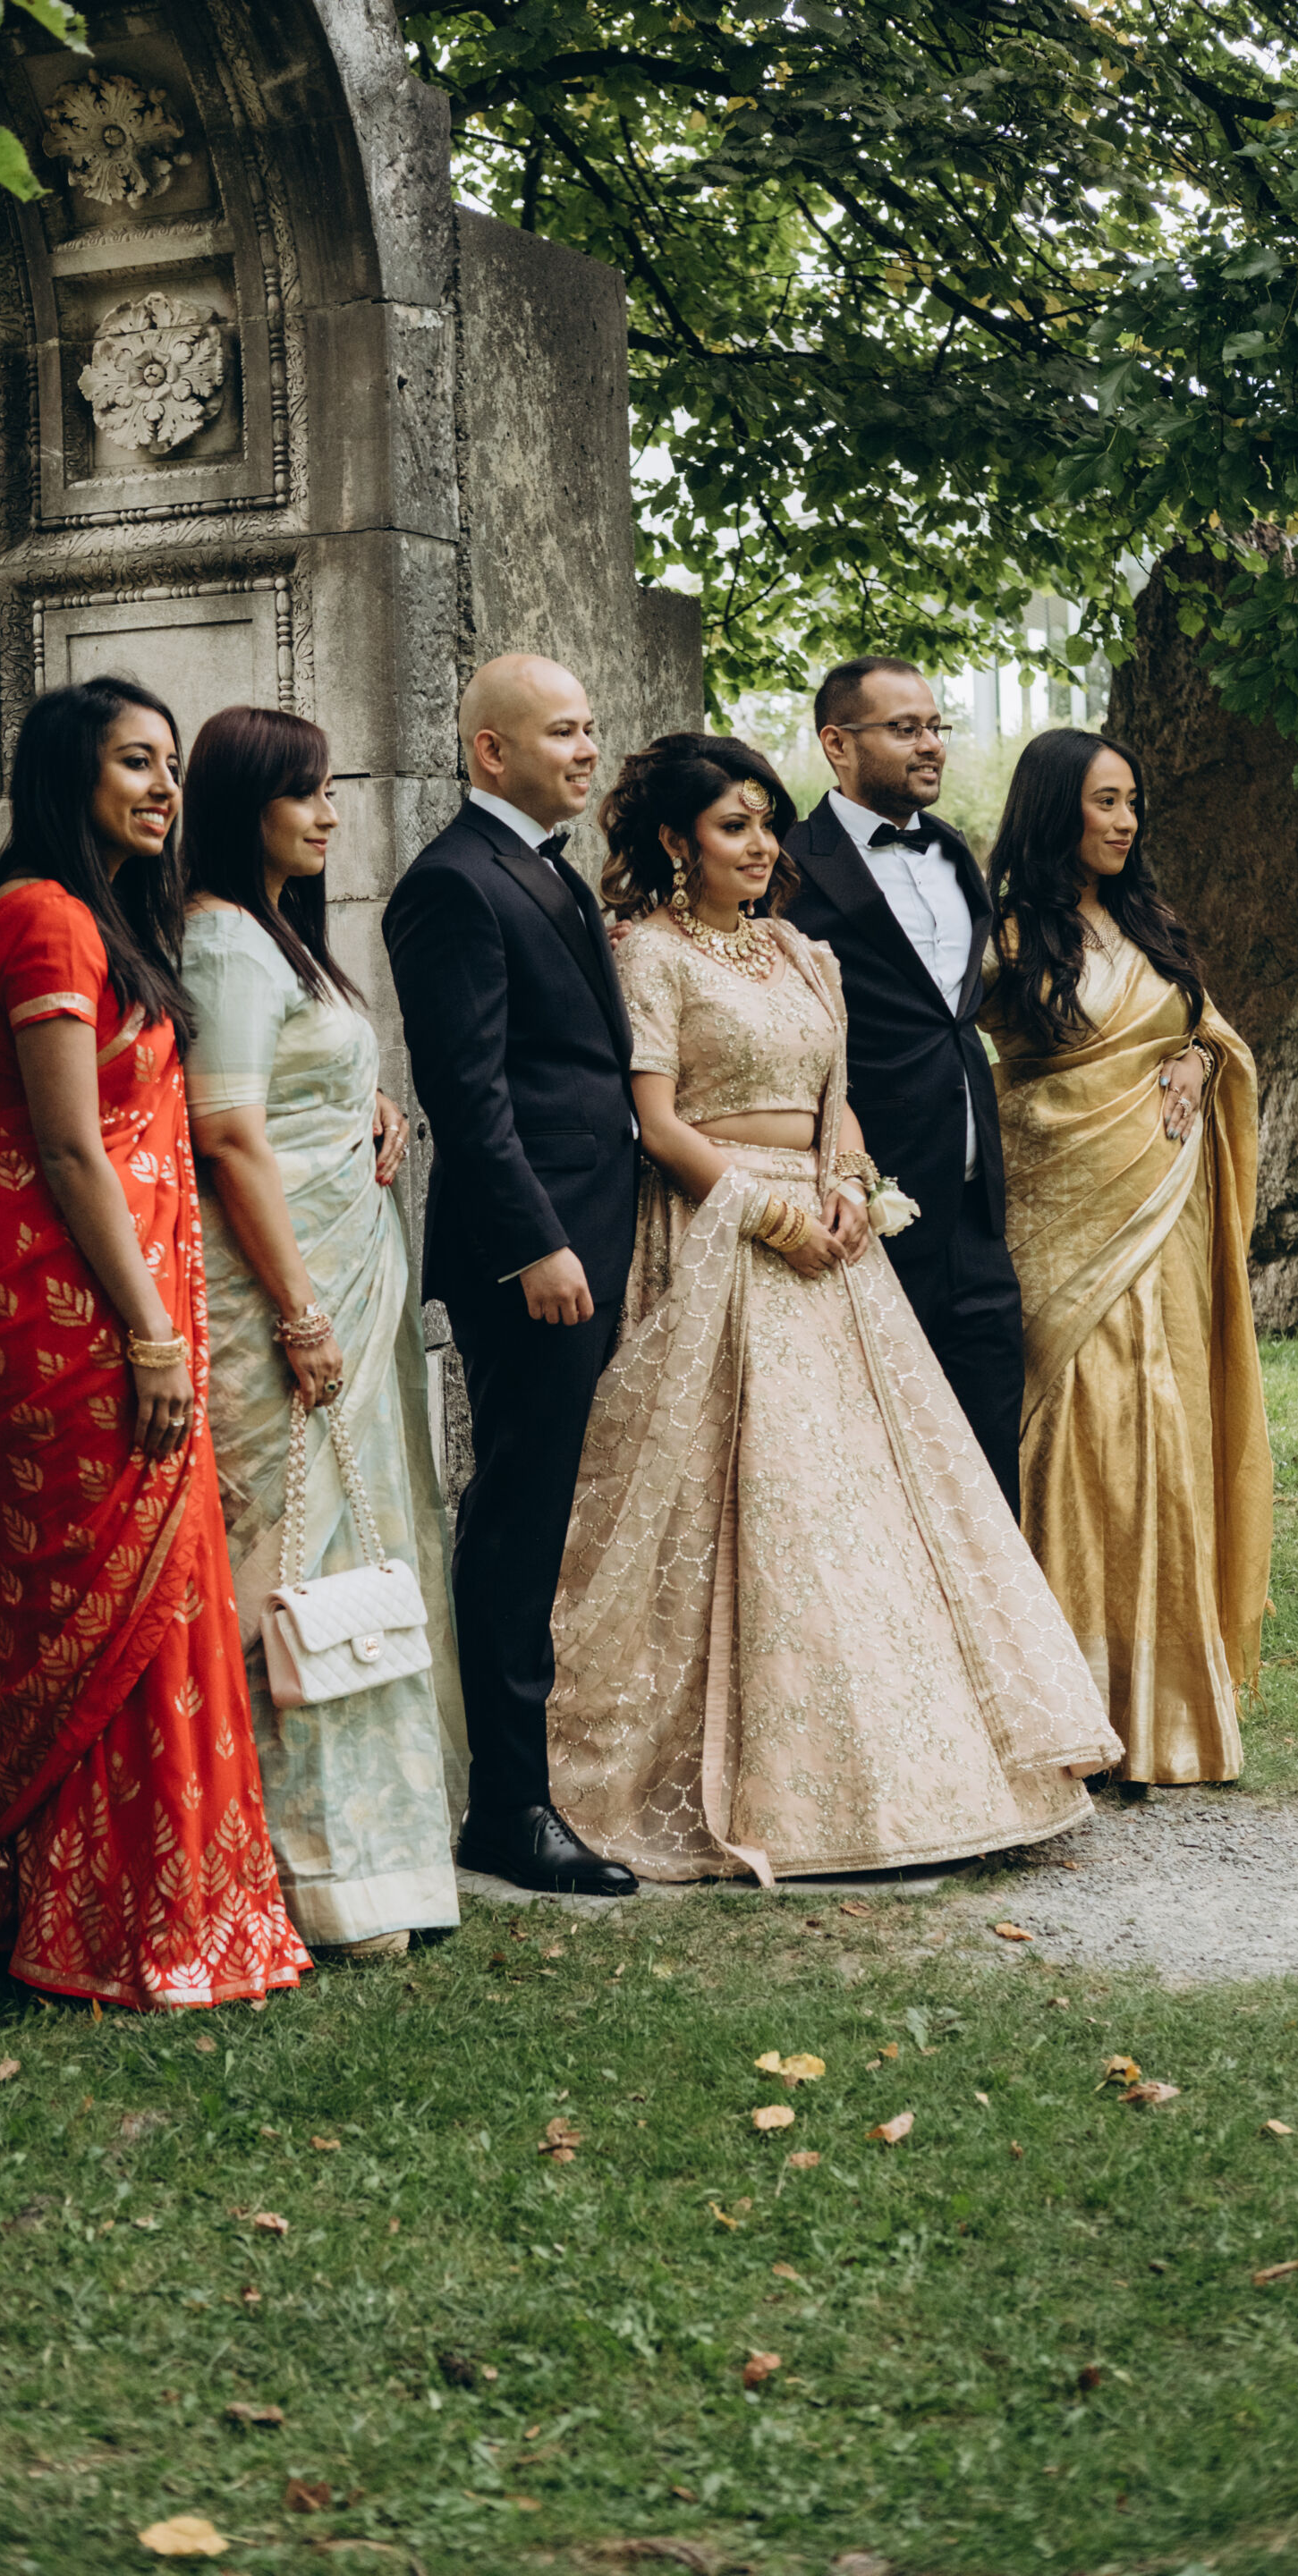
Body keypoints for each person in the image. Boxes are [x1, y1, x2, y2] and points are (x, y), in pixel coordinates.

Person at [546, 733, 1121, 1883]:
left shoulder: (803, 954)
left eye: (767, 824)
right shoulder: (649, 954)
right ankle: (776, 1782)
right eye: (734, 827)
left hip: (834, 1247)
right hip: (719, 1235)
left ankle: (920, 1775)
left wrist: (852, 1185)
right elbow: (655, 1125)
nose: (762, 846)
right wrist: (766, 1214)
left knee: (869, 1506)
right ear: (677, 842)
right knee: (756, 1501)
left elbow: (837, 1102)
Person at [0, 678, 310, 2010]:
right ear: (68, 775)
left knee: (153, 1582)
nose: (164, 788)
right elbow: (71, 1147)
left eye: (172, 766)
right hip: (65, 1310)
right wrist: (150, 1339)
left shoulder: (94, 918)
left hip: (93, 1293)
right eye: (136, 762)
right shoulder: (44, 920)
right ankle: (115, 1919)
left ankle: (99, 1904)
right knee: (114, 1587)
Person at [178, 706, 468, 1957]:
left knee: (358, 1550)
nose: (330, 815)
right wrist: (299, 1315)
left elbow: (292, 1083)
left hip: (343, 1270)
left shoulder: (274, 937)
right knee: (291, 1558)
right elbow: (227, 1132)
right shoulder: (221, 940)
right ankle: (295, 1870)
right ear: (246, 805)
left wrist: (371, 1103)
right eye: (306, 794)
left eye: (334, 791)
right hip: (278, 1295)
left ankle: (375, 1860)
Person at [383, 656, 640, 1897]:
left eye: (591, 729)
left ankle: (526, 1788)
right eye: (562, 732)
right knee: (517, 1519)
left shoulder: (546, 867)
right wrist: (538, 1242)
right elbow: (469, 1095)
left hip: (591, 1229)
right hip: (532, 1249)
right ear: (491, 750)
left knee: (538, 1512)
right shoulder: (452, 882)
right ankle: (510, 1810)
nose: (587, 750)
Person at [980, 730, 1272, 1784]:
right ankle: (1064, 1703)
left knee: (1165, 1429)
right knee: (1083, 1433)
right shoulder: (1005, 939)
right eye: (1106, 801)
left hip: (1166, 1217)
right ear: (1056, 806)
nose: (1126, 820)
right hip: (1061, 1218)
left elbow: (1207, 1031)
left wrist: (1197, 1056)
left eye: (1133, 801)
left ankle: (1166, 1710)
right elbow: (959, 1063)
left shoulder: (1149, 920)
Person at [784, 658, 1025, 1513]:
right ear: (837, 744)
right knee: (881, 1457)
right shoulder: (788, 865)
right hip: (867, 1204)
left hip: (977, 1205)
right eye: (905, 728)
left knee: (992, 1446)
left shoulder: (954, 849)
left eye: (936, 726)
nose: (931, 744)